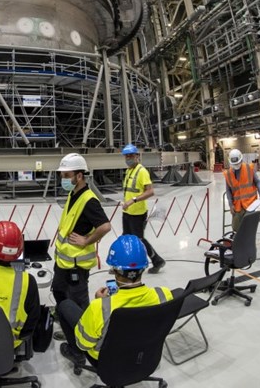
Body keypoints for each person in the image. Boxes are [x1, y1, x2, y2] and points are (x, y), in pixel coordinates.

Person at [57, 234, 174, 367]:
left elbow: (83, 344)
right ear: (143, 268)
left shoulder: (100, 308)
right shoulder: (164, 295)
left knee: (65, 305)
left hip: (107, 361)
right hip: (145, 356)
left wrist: (101, 304)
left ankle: (75, 355)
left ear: (115, 271)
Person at [53, 153, 112, 310]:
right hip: (63, 261)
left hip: (76, 265)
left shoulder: (89, 200)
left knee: (78, 301)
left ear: (79, 176)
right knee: (59, 291)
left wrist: (86, 240)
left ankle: (79, 329)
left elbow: (105, 226)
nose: (63, 179)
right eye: (61, 175)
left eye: (66, 175)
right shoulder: (73, 194)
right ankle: (64, 316)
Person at [120, 144, 164, 273]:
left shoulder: (142, 171)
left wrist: (133, 200)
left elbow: (150, 192)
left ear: (137, 156)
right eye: (126, 156)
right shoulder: (129, 171)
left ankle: (157, 260)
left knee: (139, 240)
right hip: (127, 212)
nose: (128, 158)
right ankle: (124, 264)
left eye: (131, 156)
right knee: (126, 239)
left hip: (138, 213)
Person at [224, 149, 260, 231]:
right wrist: (230, 204)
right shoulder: (228, 174)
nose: (236, 165)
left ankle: (247, 241)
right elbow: (228, 190)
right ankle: (240, 240)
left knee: (249, 226)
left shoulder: (249, 168)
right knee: (236, 227)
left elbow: (258, 182)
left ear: (241, 159)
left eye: (237, 163)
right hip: (237, 205)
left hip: (250, 204)